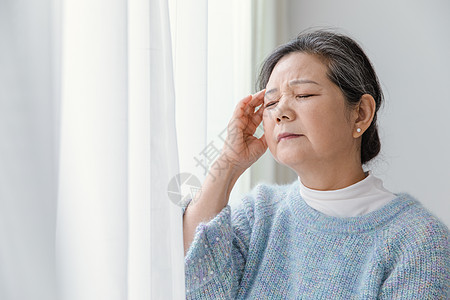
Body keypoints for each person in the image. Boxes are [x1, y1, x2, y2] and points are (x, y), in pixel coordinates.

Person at [182, 29, 450, 299]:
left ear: (360, 113)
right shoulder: (258, 215)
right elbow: (191, 279)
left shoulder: (418, 241)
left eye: (304, 95)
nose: (281, 112)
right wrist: (229, 163)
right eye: (271, 102)